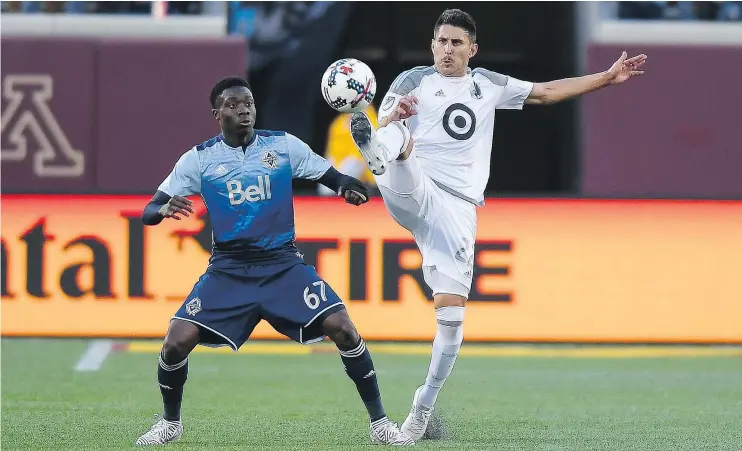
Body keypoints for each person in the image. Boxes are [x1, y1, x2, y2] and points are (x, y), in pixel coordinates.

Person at [349, 9, 647, 441]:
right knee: (396, 137)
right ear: (432, 44)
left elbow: (545, 93)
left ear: (472, 49)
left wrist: (604, 77)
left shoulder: (487, 85)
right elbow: (392, 113)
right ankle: (374, 152)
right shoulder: (410, 82)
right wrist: (391, 122)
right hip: (414, 185)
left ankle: (421, 409)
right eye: (441, 41)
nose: (447, 50)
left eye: (456, 43)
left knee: (451, 322)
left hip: (457, 211)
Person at [135, 76, 414, 446]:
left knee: (343, 327)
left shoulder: (282, 146)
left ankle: (380, 424)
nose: (243, 109)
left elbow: (329, 174)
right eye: (233, 104)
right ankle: (170, 423)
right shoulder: (199, 159)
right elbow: (148, 211)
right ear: (217, 113)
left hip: (282, 264)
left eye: (248, 103)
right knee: (175, 341)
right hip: (229, 270)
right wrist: (164, 207)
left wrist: (347, 186)